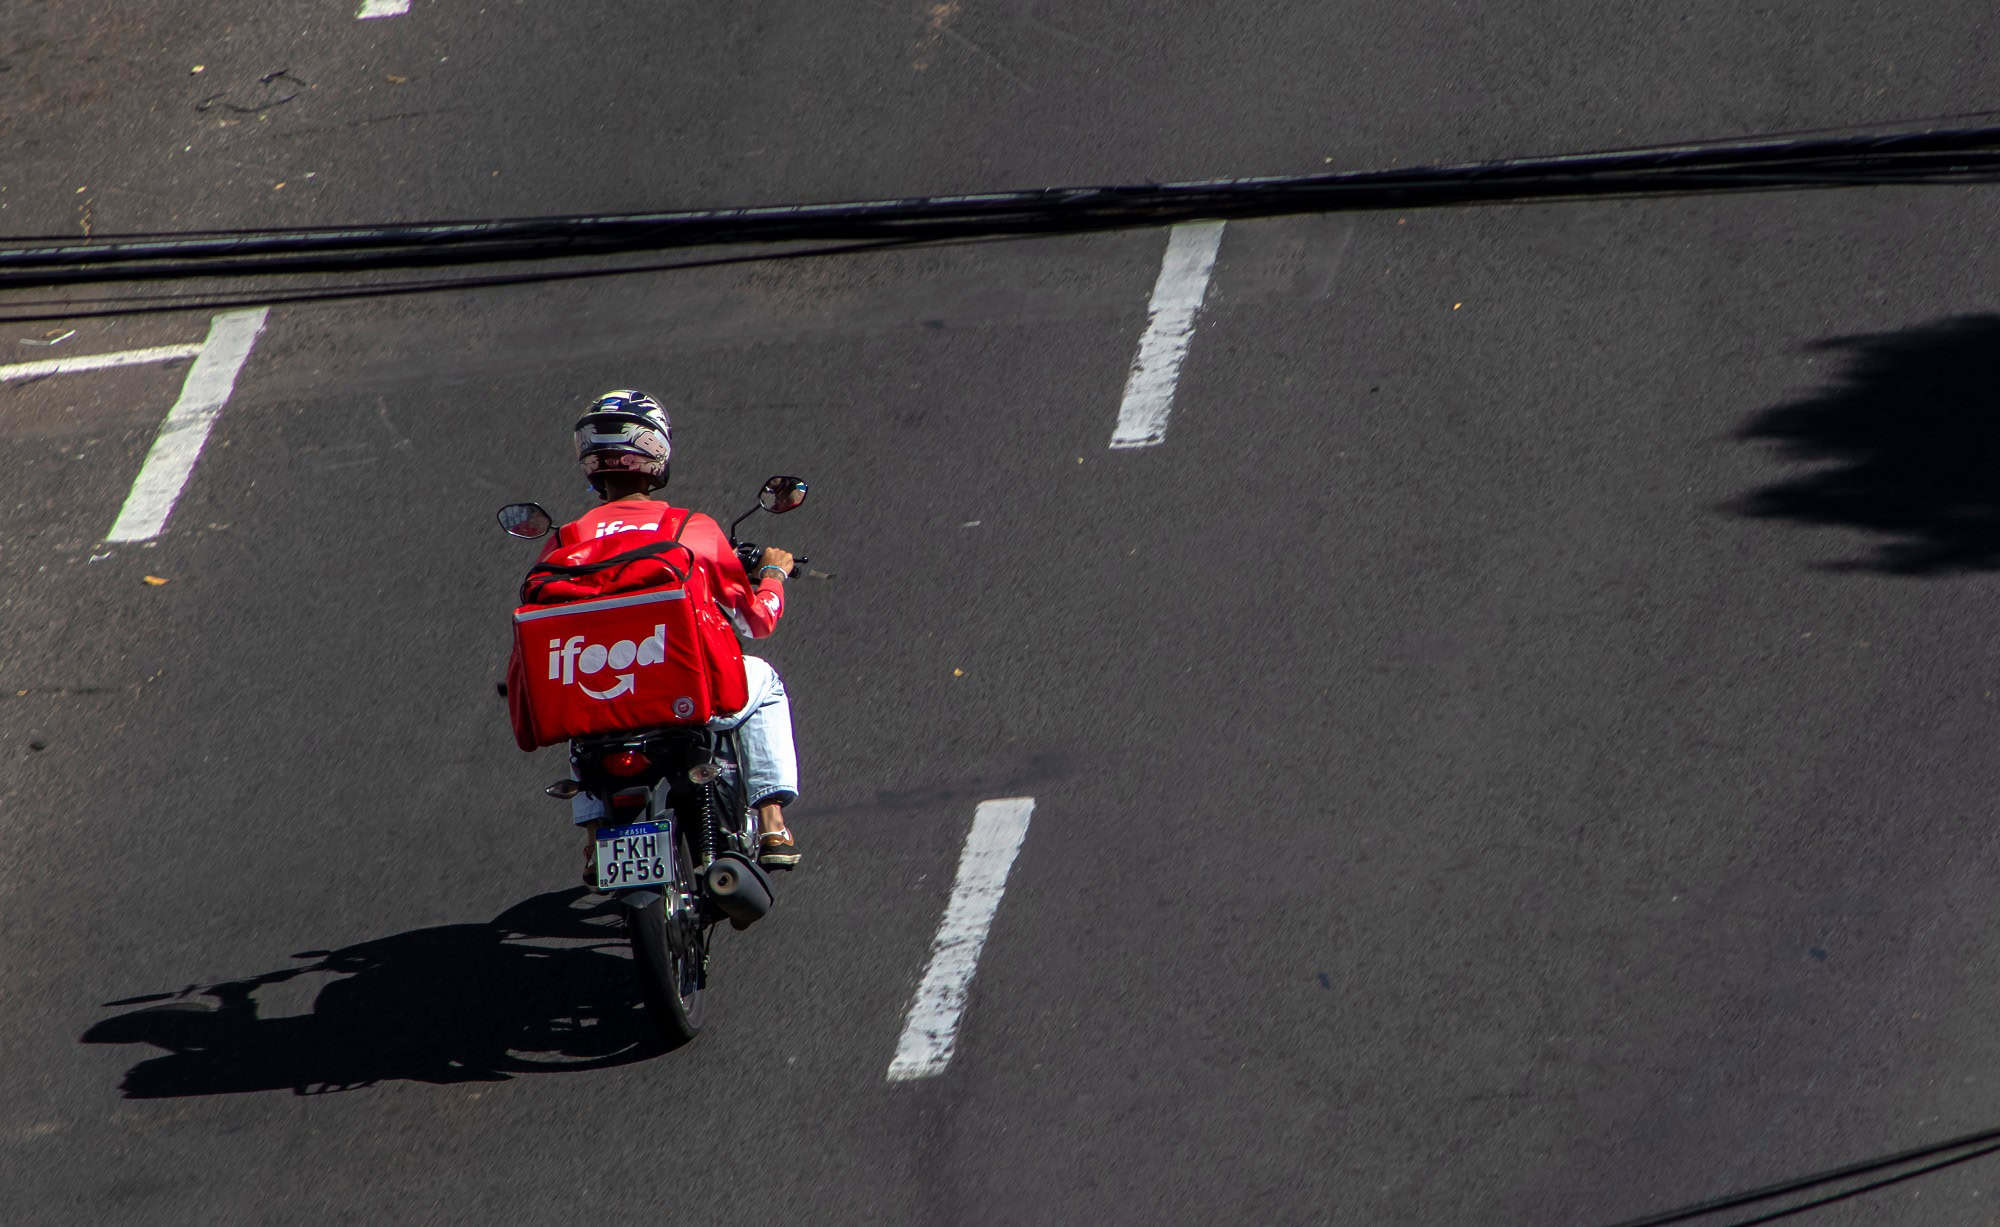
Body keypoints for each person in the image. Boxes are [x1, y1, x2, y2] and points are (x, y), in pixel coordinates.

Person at [551, 389, 803, 871]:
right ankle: (772, 824)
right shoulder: (692, 528)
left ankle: (594, 841)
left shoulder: (569, 540)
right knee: (765, 679)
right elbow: (755, 620)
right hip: (684, 699)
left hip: (611, 701)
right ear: (657, 453)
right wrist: (773, 576)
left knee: (580, 704)